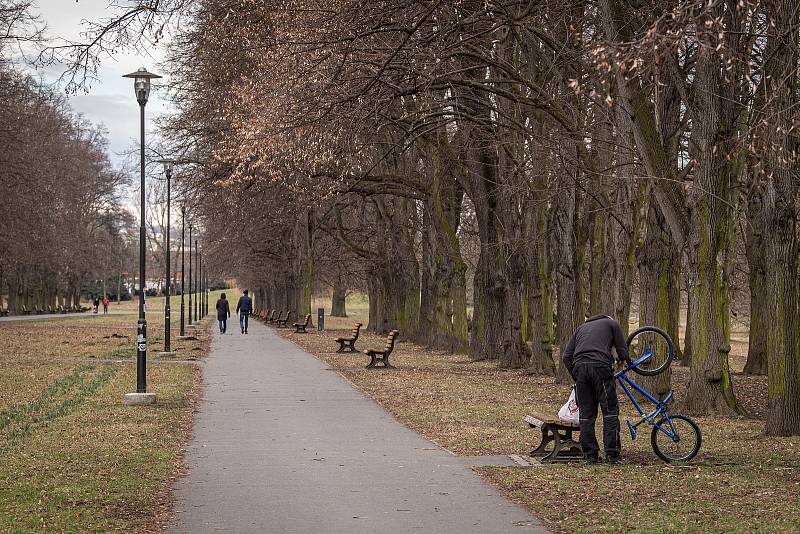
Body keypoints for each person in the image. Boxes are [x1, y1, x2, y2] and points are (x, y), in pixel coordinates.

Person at [561, 314, 632, 465]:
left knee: (586, 415)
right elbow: (623, 352)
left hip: (580, 369)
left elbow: (566, 356)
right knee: (610, 412)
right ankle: (612, 455)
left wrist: (577, 375)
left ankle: (591, 456)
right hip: (601, 368)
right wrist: (626, 359)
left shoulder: (581, 328)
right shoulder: (612, 324)